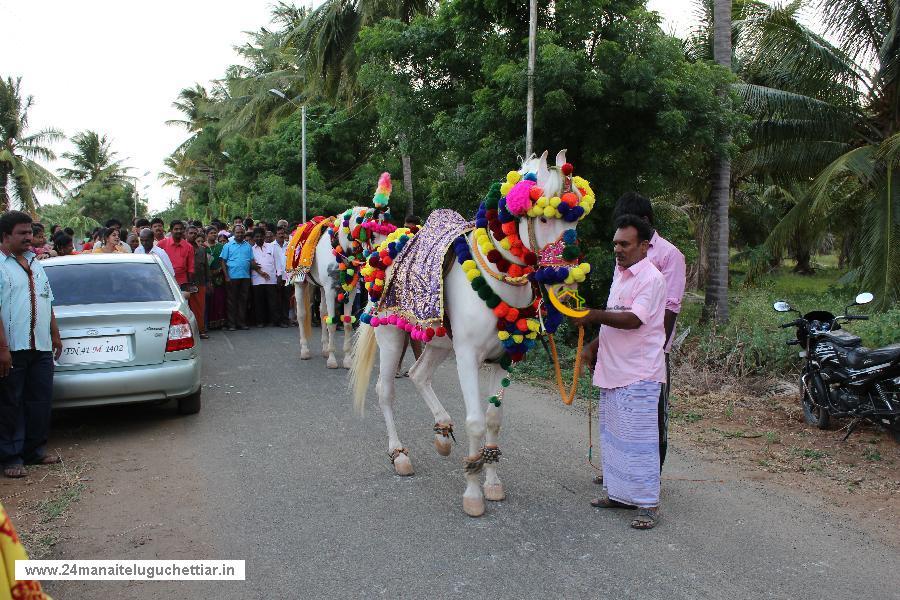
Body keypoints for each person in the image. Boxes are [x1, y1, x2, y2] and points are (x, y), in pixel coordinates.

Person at [574, 214, 667, 530]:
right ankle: (618, 494)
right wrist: (594, 347)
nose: (618, 249)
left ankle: (648, 503)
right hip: (613, 370)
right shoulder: (622, 275)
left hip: (639, 374)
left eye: (624, 244)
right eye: (615, 243)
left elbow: (634, 320)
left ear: (643, 246)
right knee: (614, 438)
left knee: (639, 442)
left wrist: (591, 315)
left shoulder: (651, 279)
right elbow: (615, 318)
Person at [611, 192, 686, 473]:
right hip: (621, 351)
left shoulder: (669, 256)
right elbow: (618, 301)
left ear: (644, 221)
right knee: (620, 414)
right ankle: (620, 472)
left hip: (651, 353)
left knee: (652, 417)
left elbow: (670, 307)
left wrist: (656, 351)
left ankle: (650, 476)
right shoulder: (623, 252)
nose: (619, 245)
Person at [0, 211, 63, 479]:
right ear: (5, 236)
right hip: (11, 348)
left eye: (30, 232)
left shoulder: (36, 263)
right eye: (22, 233)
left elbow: (47, 301)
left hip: (41, 346)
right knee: (9, 403)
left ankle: (34, 451)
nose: (29, 237)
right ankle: (10, 457)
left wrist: (55, 335)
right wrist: (2, 349)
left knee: (40, 400)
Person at [219, 224, 254, 330]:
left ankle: (241, 323)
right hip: (232, 277)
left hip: (245, 277)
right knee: (231, 301)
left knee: (243, 301)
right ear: (233, 233)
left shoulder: (248, 246)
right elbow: (223, 262)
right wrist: (226, 276)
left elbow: (251, 261)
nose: (239, 234)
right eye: (237, 232)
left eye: (241, 232)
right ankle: (232, 324)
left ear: (244, 233)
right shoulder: (228, 246)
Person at [250, 226, 280, 327]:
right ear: (253, 238)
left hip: (271, 279)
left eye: (261, 236)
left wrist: (279, 275)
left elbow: (278, 262)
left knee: (273, 301)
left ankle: (274, 321)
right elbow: (251, 264)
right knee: (259, 302)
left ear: (264, 237)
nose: (259, 238)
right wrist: (260, 272)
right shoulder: (251, 249)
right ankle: (260, 322)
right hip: (257, 280)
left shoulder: (272, 247)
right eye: (256, 236)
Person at [156, 220, 194, 290]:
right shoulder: (162, 244)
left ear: (183, 230)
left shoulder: (189, 247)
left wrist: (188, 285)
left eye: (180, 229)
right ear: (171, 230)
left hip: (183, 282)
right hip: (165, 281)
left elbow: (190, 269)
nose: (178, 231)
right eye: (176, 229)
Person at [187, 226, 210, 339]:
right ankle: (188, 333)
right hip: (185, 283)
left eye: (195, 233)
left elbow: (206, 267)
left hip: (200, 282)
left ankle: (200, 331)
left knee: (200, 308)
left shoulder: (202, 249)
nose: (193, 235)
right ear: (186, 234)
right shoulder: (184, 248)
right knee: (186, 308)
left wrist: (208, 281)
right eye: (191, 233)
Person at [206, 229, 228, 330]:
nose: (214, 235)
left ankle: (221, 322)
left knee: (219, 299)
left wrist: (220, 270)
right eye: (211, 233)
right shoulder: (203, 246)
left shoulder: (221, 246)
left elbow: (224, 260)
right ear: (207, 235)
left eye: (215, 233)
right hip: (207, 277)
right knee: (210, 300)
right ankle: (210, 323)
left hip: (219, 276)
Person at [273, 225, 291, 326]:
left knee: (286, 300)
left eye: (282, 233)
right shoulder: (271, 246)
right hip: (276, 277)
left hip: (287, 277)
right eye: (279, 233)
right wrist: (278, 275)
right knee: (277, 300)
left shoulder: (289, 245)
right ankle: (278, 320)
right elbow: (273, 262)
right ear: (276, 235)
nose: (281, 235)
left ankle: (285, 319)